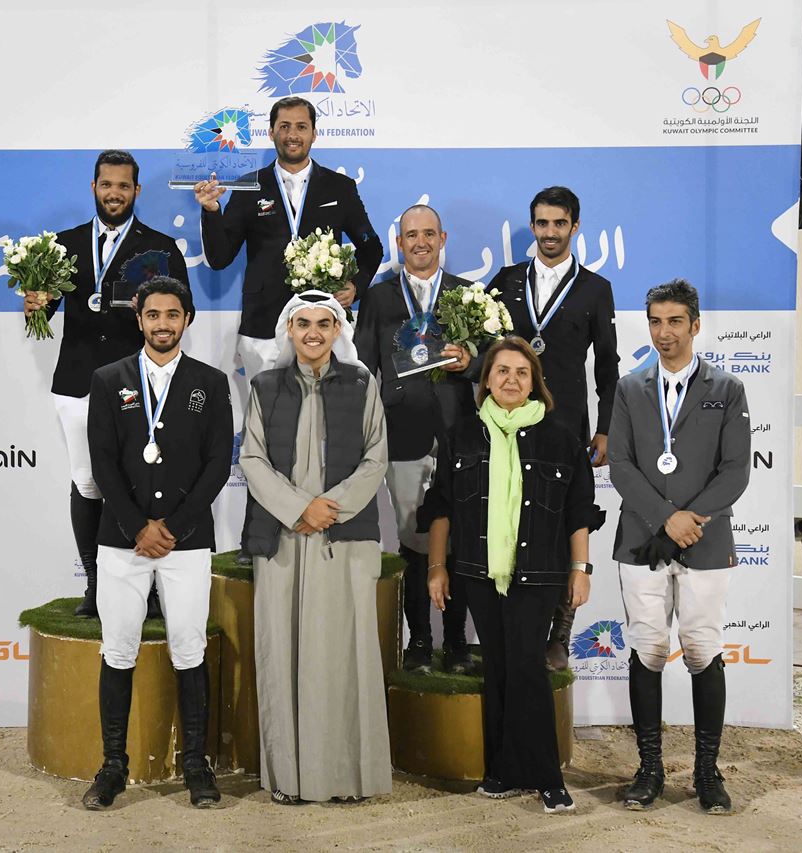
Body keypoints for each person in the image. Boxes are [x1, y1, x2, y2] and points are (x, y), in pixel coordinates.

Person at [196, 96, 384, 564]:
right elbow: (219, 257)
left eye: (301, 126)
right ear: (272, 132)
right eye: (284, 126)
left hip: (323, 328)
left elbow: (372, 246)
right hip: (263, 329)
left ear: (314, 133)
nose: (293, 134)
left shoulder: (339, 186)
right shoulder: (248, 186)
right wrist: (211, 211)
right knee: (265, 436)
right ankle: (256, 535)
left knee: (329, 430)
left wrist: (354, 286)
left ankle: (335, 525)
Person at [422, 335, 600, 813]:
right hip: (478, 573)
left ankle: (547, 777)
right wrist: (437, 567)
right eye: (502, 371)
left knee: (526, 665)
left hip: (540, 573)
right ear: (486, 380)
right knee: (498, 668)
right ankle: (501, 771)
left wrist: (580, 569)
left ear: (535, 383)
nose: (511, 380)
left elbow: (579, 510)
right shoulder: (461, 434)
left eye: (522, 373)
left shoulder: (561, 437)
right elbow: (440, 508)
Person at [81, 276, 233, 810]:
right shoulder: (108, 380)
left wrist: (173, 527)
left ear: (186, 319)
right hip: (122, 541)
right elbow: (102, 461)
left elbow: (218, 464)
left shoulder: (210, 383)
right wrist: (136, 527)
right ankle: (112, 767)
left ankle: (196, 765)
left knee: (189, 648)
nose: (163, 324)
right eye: (153, 315)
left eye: (173, 314)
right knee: (118, 648)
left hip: (185, 542)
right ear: (139, 319)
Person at [239, 290, 391, 804]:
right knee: (283, 651)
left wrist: (331, 506)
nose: (313, 333)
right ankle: (288, 778)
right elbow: (253, 459)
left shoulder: (362, 383)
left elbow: (376, 458)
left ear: (337, 331)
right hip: (284, 537)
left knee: (346, 654)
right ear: (288, 330)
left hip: (341, 537)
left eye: (324, 324)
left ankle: (348, 777)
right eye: (303, 323)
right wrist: (298, 507)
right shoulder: (264, 386)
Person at [25, 150, 190, 619]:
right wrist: (34, 304)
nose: (114, 193)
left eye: (123, 186)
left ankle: (151, 588)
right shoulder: (61, 245)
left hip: (140, 382)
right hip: (76, 382)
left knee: (146, 485)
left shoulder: (160, 247)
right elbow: (44, 310)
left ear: (137, 191)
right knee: (88, 482)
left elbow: (180, 314)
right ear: (93, 188)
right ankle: (95, 586)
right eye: (106, 185)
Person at [607, 279, 751, 815]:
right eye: (655, 322)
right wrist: (666, 518)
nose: (664, 333)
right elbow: (620, 464)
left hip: (705, 542)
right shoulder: (629, 387)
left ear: (695, 325)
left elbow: (735, 469)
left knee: (700, 651)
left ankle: (707, 773)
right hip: (644, 538)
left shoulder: (727, 388)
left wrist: (692, 520)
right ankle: (648, 770)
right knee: (646, 649)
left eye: (674, 322)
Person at [485, 186, 619, 670]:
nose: (549, 233)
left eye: (559, 224)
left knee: (566, 523)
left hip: (565, 426)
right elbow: (483, 350)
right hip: (508, 426)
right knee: (510, 519)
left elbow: (608, 366)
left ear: (575, 227)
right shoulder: (504, 280)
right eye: (541, 224)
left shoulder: (595, 289)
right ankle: (510, 623)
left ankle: (560, 633)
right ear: (533, 226)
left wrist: (604, 429)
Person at [353, 204, 476, 673]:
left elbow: (494, 360)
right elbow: (364, 367)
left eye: (428, 233)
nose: (420, 242)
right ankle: (420, 642)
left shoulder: (468, 295)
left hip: (460, 434)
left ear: (442, 238)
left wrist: (472, 362)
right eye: (411, 235)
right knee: (412, 539)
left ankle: (459, 644)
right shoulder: (380, 297)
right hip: (402, 433)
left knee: (460, 539)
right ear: (398, 243)